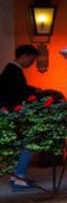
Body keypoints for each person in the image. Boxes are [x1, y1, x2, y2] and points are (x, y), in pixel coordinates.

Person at [1, 45, 41, 190]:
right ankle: (19, 177)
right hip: (14, 113)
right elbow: (18, 91)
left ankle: (16, 177)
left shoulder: (11, 70)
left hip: (10, 112)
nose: (32, 63)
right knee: (27, 144)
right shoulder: (14, 70)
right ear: (24, 56)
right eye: (31, 59)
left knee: (20, 145)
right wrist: (34, 91)